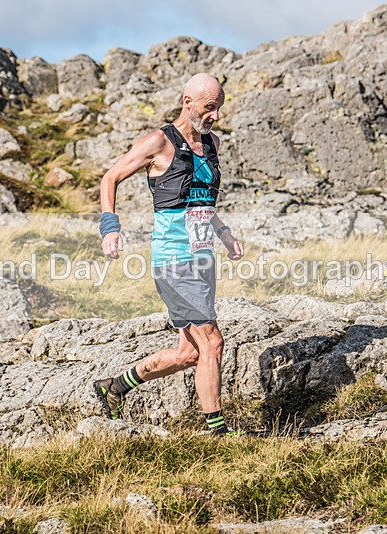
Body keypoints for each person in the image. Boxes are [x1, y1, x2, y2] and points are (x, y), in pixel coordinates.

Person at [92, 73, 244, 435]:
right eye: (209, 108)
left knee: (189, 354)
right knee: (213, 341)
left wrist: (223, 233)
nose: (215, 117)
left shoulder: (213, 145)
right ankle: (219, 433)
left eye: (219, 109)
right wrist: (110, 227)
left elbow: (201, 200)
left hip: (203, 259)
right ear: (187, 102)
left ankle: (114, 387)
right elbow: (109, 178)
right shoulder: (158, 143)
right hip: (173, 260)